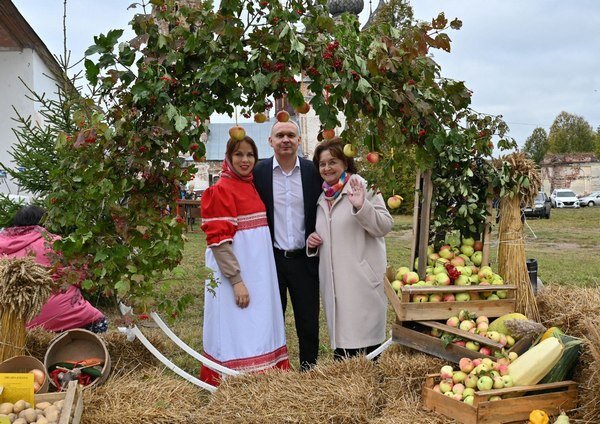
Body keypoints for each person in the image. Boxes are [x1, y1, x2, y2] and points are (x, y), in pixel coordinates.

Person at [200, 135, 289, 385]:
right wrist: (237, 281)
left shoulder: (250, 185)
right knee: (235, 326)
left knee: (256, 323)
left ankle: (260, 374)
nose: (245, 160)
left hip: (258, 273)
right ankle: (235, 378)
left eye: (250, 155)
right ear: (228, 157)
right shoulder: (221, 190)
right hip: (235, 274)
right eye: (239, 154)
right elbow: (220, 243)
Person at [307, 139, 393, 360]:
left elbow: (384, 226)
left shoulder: (362, 187)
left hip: (361, 283)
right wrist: (312, 243)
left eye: (333, 162)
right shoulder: (322, 196)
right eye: (322, 164)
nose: (327, 168)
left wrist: (361, 206)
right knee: (343, 355)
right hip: (335, 286)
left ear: (345, 163)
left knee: (367, 352)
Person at [253, 120, 322, 371]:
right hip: (272, 260)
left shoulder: (312, 171)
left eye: (291, 135)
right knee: (272, 320)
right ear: (270, 141)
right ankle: (274, 369)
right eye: (279, 135)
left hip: (305, 259)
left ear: (299, 141)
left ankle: (309, 369)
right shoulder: (258, 173)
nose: (285, 139)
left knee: (308, 320)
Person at [0, 205, 107, 333]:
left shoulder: (2, 246)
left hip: (16, 324)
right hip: (63, 316)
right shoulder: (54, 242)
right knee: (100, 324)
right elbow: (81, 277)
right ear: (43, 221)